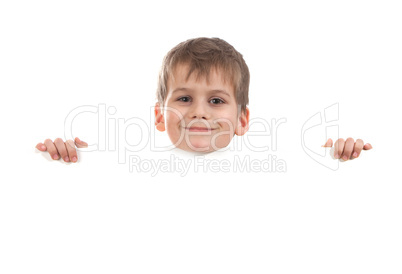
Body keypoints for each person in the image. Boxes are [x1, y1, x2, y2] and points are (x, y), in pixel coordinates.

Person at [35, 37, 372, 162]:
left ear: (242, 120)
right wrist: (62, 154)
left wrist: (342, 155)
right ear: (158, 115)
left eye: (216, 101)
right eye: (183, 98)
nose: (199, 112)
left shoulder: (270, 168)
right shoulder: (130, 165)